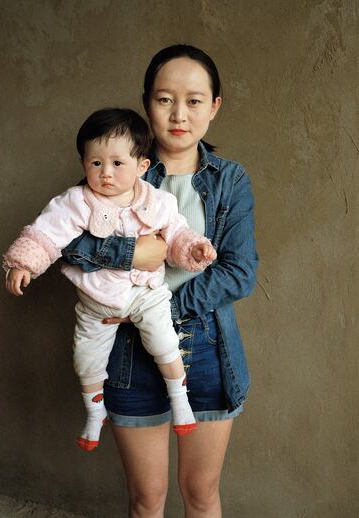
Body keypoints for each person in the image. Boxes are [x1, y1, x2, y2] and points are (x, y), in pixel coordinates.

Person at [62, 45, 258, 517]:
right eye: (164, 99)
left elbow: (239, 271)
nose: (178, 114)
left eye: (194, 101)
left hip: (207, 350)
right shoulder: (114, 167)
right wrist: (134, 252)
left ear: (214, 106)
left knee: (201, 494)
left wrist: (153, 310)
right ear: (147, 102)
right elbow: (65, 245)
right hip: (128, 352)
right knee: (146, 499)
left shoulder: (229, 180)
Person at [3, 108, 217, 452]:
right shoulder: (76, 202)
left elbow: (177, 233)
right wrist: (23, 263)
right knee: (85, 359)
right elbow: (47, 233)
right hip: (95, 302)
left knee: (164, 341)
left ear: (141, 166)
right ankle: (93, 412)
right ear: (84, 163)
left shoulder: (157, 201)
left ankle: (181, 400)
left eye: (117, 164)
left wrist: (193, 250)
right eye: (95, 163)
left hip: (147, 292)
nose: (105, 173)